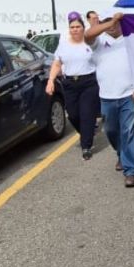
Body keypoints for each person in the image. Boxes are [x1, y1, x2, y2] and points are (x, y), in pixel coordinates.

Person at [86, 13, 134, 187]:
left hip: (128, 96)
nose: (112, 26)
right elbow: (87, 35)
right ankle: (121, 154)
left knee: (129, 132)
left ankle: (131, 170)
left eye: (115, 23)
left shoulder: (131, 41)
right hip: (107, 97)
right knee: (111, 131)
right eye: (108, 23)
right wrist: (111, 21)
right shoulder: (99, 42)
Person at [46, 11, 101, 160]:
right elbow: (57, 63)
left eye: (77, 26)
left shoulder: (90, 43)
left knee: (87, 114)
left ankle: (86, 147)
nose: (75, 29)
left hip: (89, 82)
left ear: (83, 27)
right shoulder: (63, 45)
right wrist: (50, 80)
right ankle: (87, 132)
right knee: (73, 115)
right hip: (70, 83)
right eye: (72, 27)